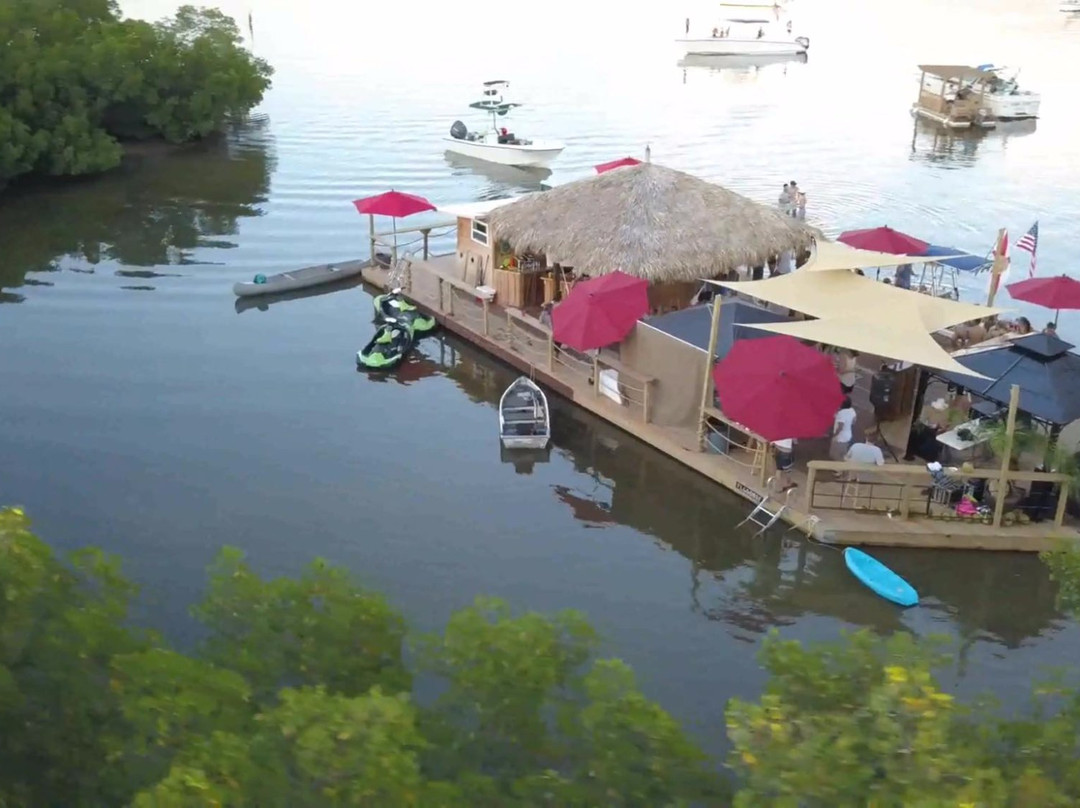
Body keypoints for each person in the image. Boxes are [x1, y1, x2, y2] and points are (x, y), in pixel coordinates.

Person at [830, 396, 857, 463]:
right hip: (848, 434)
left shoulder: (841, 414)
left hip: (840, 437)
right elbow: (854, 421)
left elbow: (840, 427)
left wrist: (834, 435)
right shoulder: (852, 410)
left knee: (835, 454)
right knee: (842, 453)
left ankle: (839, 469)